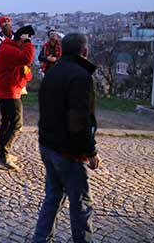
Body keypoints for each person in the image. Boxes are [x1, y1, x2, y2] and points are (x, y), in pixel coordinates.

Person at [33, 33, 101, 243]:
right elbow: (79, 121)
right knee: (80, 203)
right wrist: (91, 152)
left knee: (53, 197)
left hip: (48, 145)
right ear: (85, 51)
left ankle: (41, 238)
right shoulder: (81, 77)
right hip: (68, 151)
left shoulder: (53, 72)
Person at [0, 25, 35, 170]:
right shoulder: (8, 50)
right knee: (16, 123)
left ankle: (1, 152)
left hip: (11, 90)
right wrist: (28, 43)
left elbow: (27, 72)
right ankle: (4, 154)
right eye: (25, 41)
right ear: (21, 39)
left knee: (6, 121)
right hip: (9, 93)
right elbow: (27, 58)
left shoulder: (12, 49)